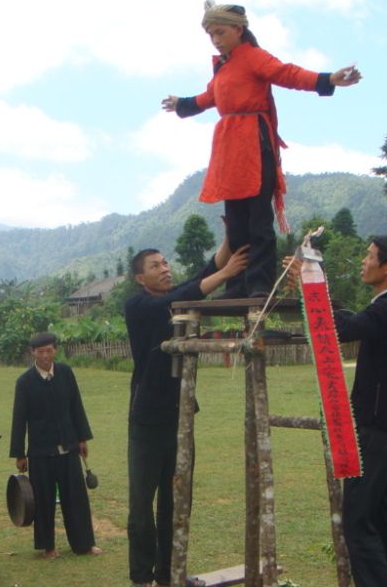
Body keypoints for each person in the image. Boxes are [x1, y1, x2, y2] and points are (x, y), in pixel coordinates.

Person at [162, 0, 360, 298]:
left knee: (258, 218)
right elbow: (207, 98)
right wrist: (182, 104)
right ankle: (238, 283)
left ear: (238, 30)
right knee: (237, 222)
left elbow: (287, 73)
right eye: (211, 35)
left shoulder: (253, 57)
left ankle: (259, 284)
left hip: (255, 142)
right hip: (229, 149)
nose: (215, 40)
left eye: (220, 32)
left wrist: (326, 79)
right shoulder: (223, 69)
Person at [125, 238, 248, 587]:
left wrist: (230, 237)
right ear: (139, 278)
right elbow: (188, 293)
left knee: (176, 501)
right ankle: (141, 579)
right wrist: (226, 273)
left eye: (165, 263)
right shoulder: (137, 305)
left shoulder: (173, 296)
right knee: (140, 507)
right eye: (155, 266)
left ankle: (170, 575)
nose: (164, 269)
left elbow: (202, 274)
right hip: (146, 419)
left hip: (180, 415)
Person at [327, 235, 387, 587]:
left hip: (378, 431)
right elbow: (357, 319)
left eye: (369, 256)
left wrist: (314, 292)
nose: (363, 262)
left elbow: (346, 327)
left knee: (358, 523)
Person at [10, 332, 101, 558]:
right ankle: (48, 547)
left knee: (76, 497)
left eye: (49, 351)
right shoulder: (25, 382)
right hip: (40, 452)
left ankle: (84, 544)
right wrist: (19, 454)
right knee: (43, 499)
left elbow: (76, 406)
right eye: (40, 352)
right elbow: (19, 419)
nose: (45, 356)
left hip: (69, 447)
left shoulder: (66, 373)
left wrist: (82, 438)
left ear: (55, 350)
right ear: (33, 353)